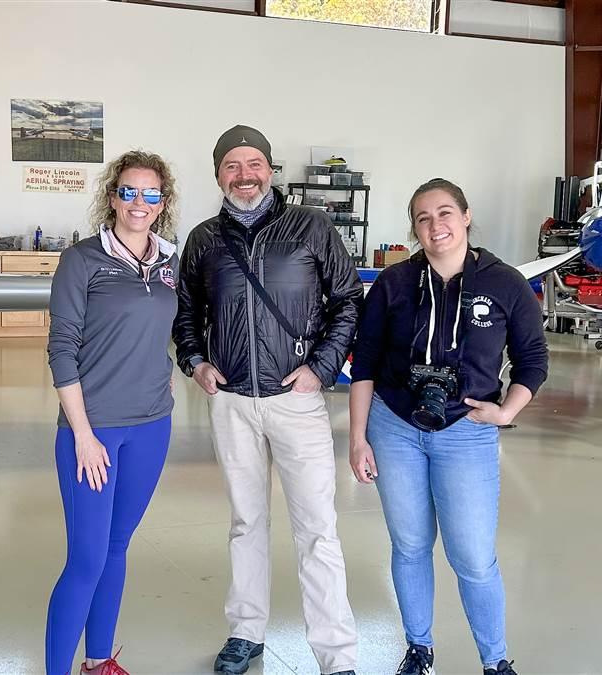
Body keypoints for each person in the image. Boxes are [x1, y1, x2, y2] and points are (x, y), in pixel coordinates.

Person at [173, 125, 363, 675]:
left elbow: (348, 301)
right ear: (218, 176)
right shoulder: (205, 240)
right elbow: (186, 312)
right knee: (245, 522)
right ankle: (246, 631)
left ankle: (337, 654)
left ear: (271, 169)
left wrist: (321, 369)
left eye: (253, 163)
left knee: (317, 529)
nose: (244, 175)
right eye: (232, 165)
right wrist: (195, 362)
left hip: (296, 400)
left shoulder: (313, 227)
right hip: (230, 400)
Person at [347, 178, 548, 675]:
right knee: (410, 545)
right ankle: (419, 648)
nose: (435, 226)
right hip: (394, 427)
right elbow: (365, 362)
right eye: (422, 218)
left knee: (474, 558)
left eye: (444, 213)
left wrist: (506, 411)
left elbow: (533, 360)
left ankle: (495, 660)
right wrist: (357, 438)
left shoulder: (505, 284)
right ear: (415, 229)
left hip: (466, 431)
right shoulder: (394, 284)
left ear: (465, 216)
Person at [46, 150, 181, 675]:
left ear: (162, 203)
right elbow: (62, 348)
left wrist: (165, 365)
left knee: (117, 548)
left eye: (150, 194)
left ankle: (98, 661)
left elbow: (163, 327)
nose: (139, 203)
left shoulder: (169, 261)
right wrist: (81, 432)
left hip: (152, 425)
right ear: (112, 197)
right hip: (94, 431)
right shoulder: (82, 260)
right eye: (129, 191)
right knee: (86, 559)